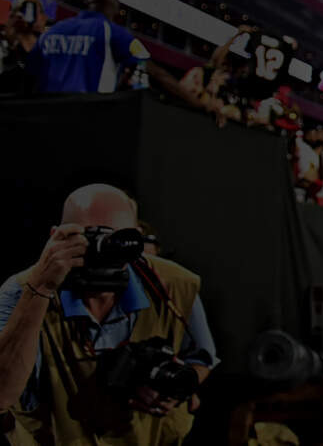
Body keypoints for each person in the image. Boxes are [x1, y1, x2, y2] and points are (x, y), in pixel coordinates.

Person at [0, 184, 218, 445]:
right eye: (88, 239)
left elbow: (201, 358)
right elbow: (2, 395)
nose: (100, 253)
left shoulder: (173, 284)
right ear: (56, 237)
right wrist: (42, 288)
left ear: (136, 239)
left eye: (116, 240)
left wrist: (172, 389)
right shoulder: (22, 290)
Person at [26, 0, 192, 103]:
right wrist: (197, 102)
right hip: (86, 116)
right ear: (116, 10)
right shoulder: (114, 33)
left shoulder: (52, 31)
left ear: (87, 2)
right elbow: (155, 72)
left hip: (44, 115)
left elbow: (29, 73)